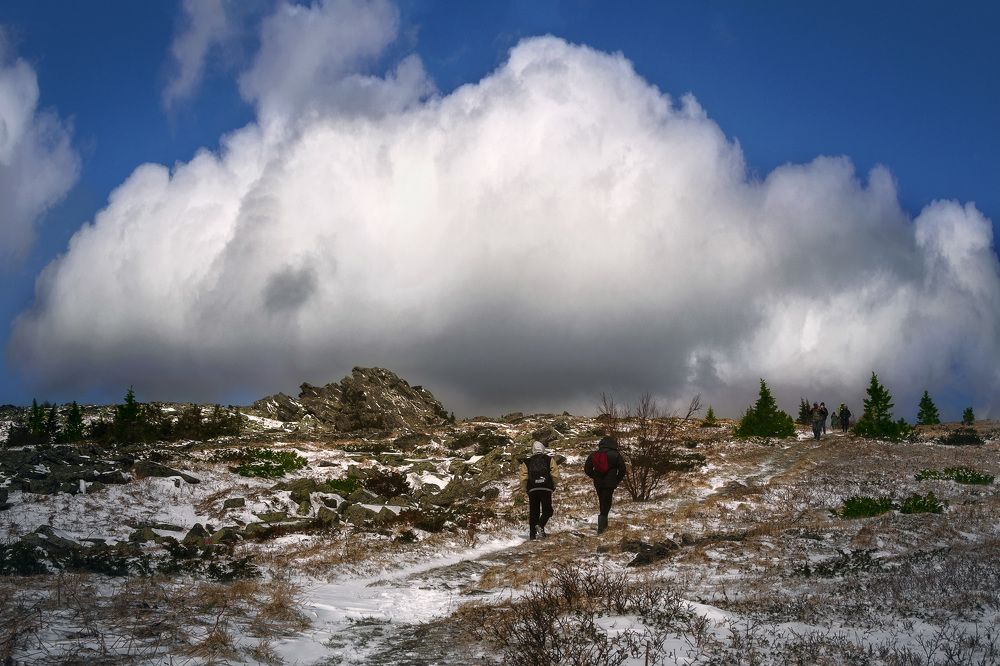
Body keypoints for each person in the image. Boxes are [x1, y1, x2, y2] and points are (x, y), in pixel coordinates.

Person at [584, 436, 627, 534]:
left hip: (598, 483)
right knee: (606, 503)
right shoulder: (615, 454)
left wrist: (594, 476)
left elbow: (587, 469)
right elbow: (623, 469)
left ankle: (603, 525)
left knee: (602, 501)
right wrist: (616, 480)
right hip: (610, 482)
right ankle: (602, 528)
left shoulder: (594, 454)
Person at [519, 441, 559, 539]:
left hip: (532, 489)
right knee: (548, 510)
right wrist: (553, 486)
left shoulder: (527, 462)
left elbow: (523, 477)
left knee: (534, 512)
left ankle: (532, 535)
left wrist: (525, 489)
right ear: (543, 448)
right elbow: (554, 474)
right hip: (546, 488)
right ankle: (540, 525)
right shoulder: (549, 459)